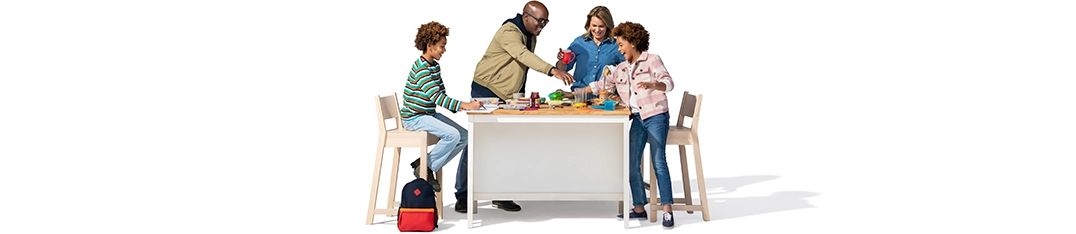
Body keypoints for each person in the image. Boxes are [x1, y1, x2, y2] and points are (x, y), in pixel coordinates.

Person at [457, 0, 572, 213]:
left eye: (546, 22)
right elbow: (523, 56)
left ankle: (500, 193)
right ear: (526, 16)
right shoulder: (509, 31)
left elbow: (518, 68)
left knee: (506, 144)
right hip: (487, 91)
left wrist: (520, 97)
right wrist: (552, 71)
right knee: (476, 143)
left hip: (507, 96)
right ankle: (463, 194)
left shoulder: (530, 34)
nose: (543, 26)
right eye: (540, 21)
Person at [581, 21, 677, 229]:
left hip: (655, 116)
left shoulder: (652, 60)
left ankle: (668, 209)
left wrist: (654, 84)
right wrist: (575, 93)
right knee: (632, 163)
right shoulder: (621, 69)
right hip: (636, 118)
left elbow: (669, 83)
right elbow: (601, 86)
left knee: (658, 160)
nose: (619, 49)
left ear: (633, 43)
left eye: (621, 44)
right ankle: (639, 208)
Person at [399, 21, 482, 194]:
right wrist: (465, 106)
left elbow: (441, 93)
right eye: (441, 46)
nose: (444, 50)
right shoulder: (422, 69)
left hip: (428, 113)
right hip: (414, 117)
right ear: (430, 46)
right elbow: (436, 97)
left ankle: (425, 165)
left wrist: (463, 106)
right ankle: (425, 168)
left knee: (464, 136)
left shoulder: (434, 67)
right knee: (452, 135)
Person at [554, 6, 625, 100]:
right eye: (594, 25)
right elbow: (562, 69)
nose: (597, 30)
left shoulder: (616, 45)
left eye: (601, 26)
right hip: (579, 96)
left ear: (608, 26)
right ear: (589, 25)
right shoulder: (579, 42)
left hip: (604, 99)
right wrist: (562, 60)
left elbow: (626, 71)